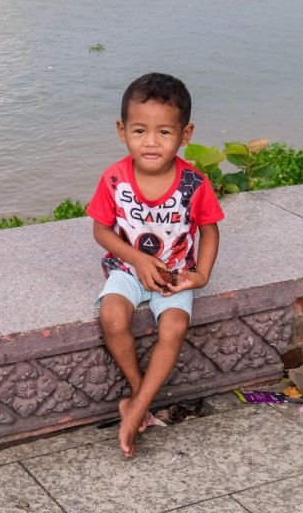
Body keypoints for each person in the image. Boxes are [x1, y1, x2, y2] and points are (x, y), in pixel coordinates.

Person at [86, 72, 224, 457]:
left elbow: (210, 230)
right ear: (122, 131)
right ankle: (138, 394)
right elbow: (101, 230)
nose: (151, 142)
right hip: (126, 267)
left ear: (185, 134)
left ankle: (136, 409)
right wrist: (136, 259)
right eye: (139, 131)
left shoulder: (194, 184)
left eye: (164, 132)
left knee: (174, 327)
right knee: (112, 318)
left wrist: (201, 275)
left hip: (174, 274)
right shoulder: (114, 179)